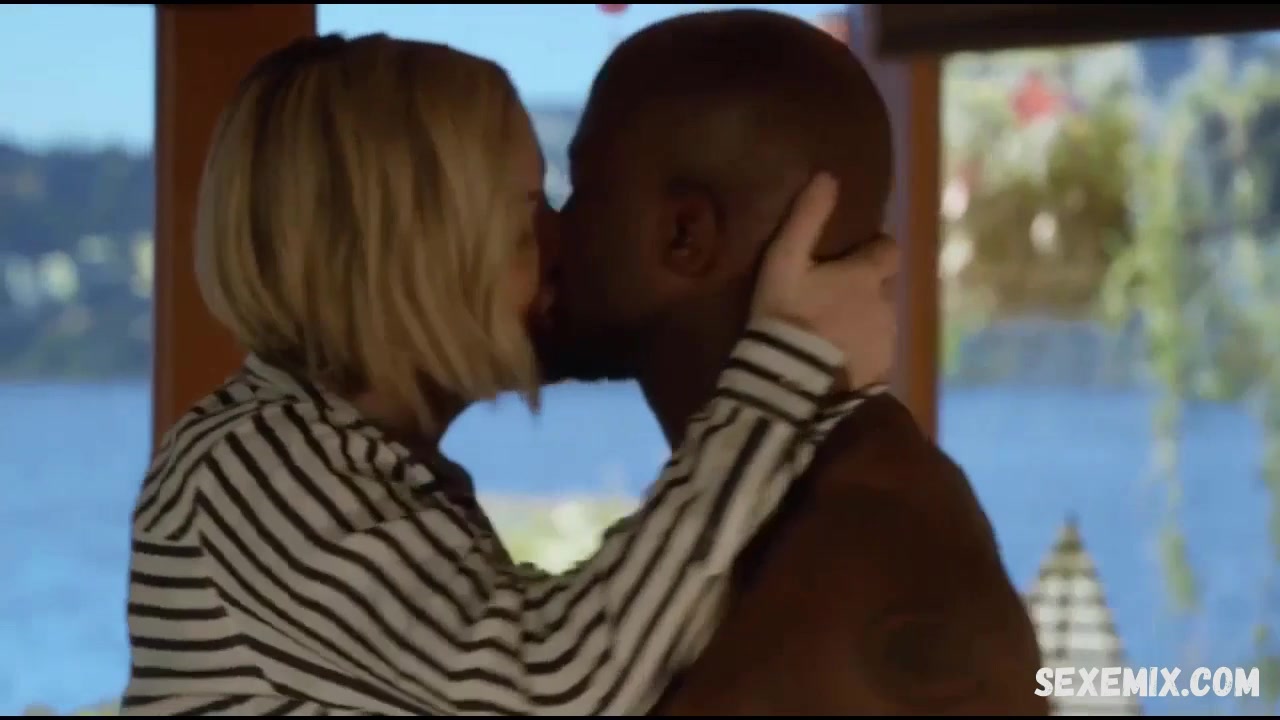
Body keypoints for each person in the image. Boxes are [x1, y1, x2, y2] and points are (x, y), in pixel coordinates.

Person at [119, 33, 899, 716]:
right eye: (525, 213)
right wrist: (785, 364)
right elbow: (557, 689)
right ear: (407, 257)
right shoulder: (254, 469)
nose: (563, 240)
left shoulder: (347, 462)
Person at [539, 9, 1048, 715]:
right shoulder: (820, 502)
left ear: (685, 234)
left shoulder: (867, 563)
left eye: (583, 190)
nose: (549, 230)